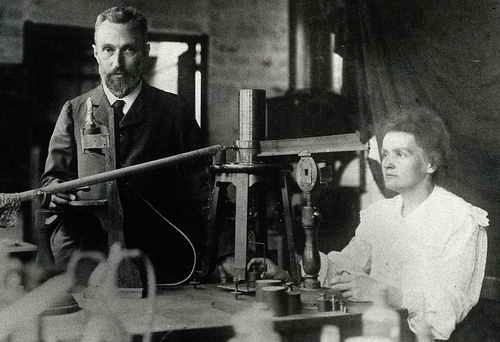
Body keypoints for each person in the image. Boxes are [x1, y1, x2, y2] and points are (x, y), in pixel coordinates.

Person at [249, 106, 488, 340]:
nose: (387, 163)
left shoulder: (459, 218)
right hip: (374, 330)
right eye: (385, 154)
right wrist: (288, 272)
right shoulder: (382, 214)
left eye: (400, 154)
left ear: (431, 164)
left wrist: (383, 293)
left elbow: (448, 309)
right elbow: (345, 266)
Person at [40, 6, 209, 284]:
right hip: (86, 260)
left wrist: (224, 252)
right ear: (96, 53)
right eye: (108, 49)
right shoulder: (74, 110)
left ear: (145, 51)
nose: (117, 62)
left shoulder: (174, 111)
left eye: (128, 50)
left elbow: (203, 190)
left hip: (159, 262)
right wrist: (55, 191)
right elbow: (53, 179)